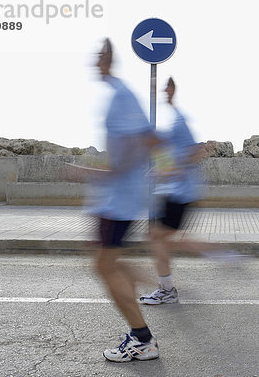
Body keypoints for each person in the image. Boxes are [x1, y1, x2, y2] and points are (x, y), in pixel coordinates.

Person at [88, 38, 161, 362]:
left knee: (104, 267)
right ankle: (140, 331)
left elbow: (146, 140)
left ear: (108, 58)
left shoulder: (121, 96)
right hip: (118, 198)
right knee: (108, 264)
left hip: (119, 199)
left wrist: (107, 172)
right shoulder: (121, 93)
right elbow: (150, 138)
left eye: (99, 55)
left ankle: (143, 339)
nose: (94, 61)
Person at [139, 77, 207, 305]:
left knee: (157, 237)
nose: (161, 92)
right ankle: (167, 286)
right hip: (174, 192)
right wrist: (159, 171)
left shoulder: (178, 121)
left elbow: (196, 152)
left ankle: (167, 289)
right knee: (158, 237)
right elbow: (172, 156)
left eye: (166, 87)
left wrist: (169, 172)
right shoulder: (171, 123)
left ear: (172, 89)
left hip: (181, 193)